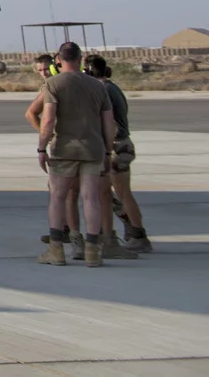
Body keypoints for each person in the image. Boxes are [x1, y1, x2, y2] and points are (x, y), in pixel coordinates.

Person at [34, 41, 117, 267]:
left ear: (58, 61)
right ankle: (92, 251)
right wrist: (108, 151)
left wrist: (42, 148)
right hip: (93, 148)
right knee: (91, 198)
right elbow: (109, 123)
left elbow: (48, 120)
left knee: (58, 197)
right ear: (80, 59)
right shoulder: (98, 86)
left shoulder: (53, 83)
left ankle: (56, 250)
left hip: (65, 148)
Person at [84, 55, 150, 254]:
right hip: (121, 145)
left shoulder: (103, 90)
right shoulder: (111, 87)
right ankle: (113, 235)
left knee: (120, 194)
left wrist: (105, 149)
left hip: (115, 146)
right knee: (109, 193)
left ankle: (138, 235)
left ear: (88, 71)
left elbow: (110, 122)